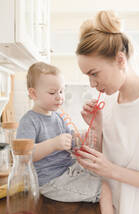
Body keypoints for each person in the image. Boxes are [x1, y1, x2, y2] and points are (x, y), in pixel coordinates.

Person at [75, 10, 139, 214]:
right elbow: (108, 158)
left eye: (94, 74)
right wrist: (97, 127)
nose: (92, 84)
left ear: (120, 60)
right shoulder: (112, 101)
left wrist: (111, 170)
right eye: (87, 76)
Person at [16, 61, 101, 203]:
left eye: (61, 91)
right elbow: (24, 156)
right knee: (100, 190)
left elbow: (71, 142)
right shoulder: (29, 121)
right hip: (50, 181)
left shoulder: (59, 116)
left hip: (69, 169)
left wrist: (81, 138)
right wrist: (53, 144)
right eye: (52, 92)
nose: (59, 97)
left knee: (105, 179)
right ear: (33, 93)